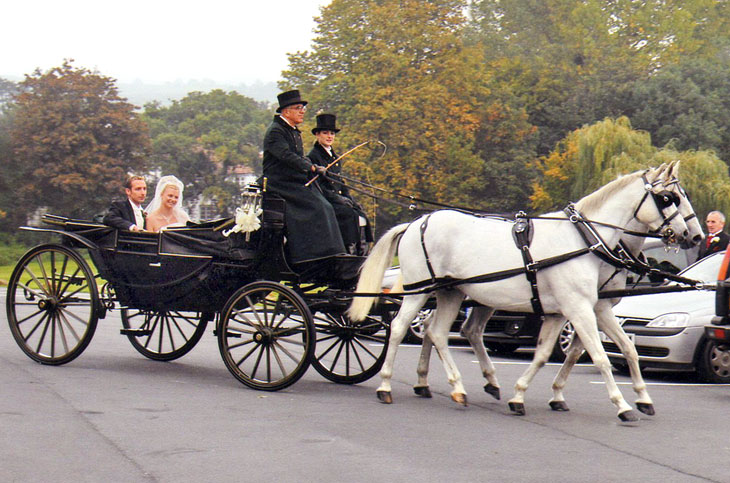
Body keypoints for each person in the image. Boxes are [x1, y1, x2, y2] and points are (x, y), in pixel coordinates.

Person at [262, 89, 345, 264]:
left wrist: (316, 167)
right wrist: (312, 167)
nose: (302, 111)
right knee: (319, 206)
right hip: (280, 183)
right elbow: (286, 156)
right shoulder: (276, 131)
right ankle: (312, 256)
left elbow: (299, 156)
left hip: (294, 180)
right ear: (286, 111)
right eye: (298, 107)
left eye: (303, 108)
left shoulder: (292, 130)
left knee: (326, 204)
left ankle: (334, 252)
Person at [307, 113, 373, 254]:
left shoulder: (335, 157)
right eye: (325, 133)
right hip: (325, 201)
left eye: (332, 133)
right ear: (317, 135)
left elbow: (341, 183)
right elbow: (320, 187)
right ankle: (349, 251)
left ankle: (363, 252)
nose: (329, 136)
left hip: (338, 199)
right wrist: (338, 199)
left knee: (360, 213)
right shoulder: (313, 156)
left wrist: (350, 199)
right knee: (349, 215)